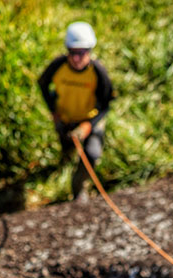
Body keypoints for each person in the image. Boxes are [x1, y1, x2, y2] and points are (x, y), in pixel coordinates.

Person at [38, 21, 114, 200]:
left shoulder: (98, 73)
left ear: (89, 51)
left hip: (90, 120)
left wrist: (88, 125)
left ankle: (79, 189)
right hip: (65, 118)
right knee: (66, 146)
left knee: (92, 155)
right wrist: (54, 112)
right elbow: (42, 84)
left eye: (82, 53)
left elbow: (106, 104)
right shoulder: (58, 66)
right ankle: (62, 165)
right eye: (73, 53)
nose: (77, 58)